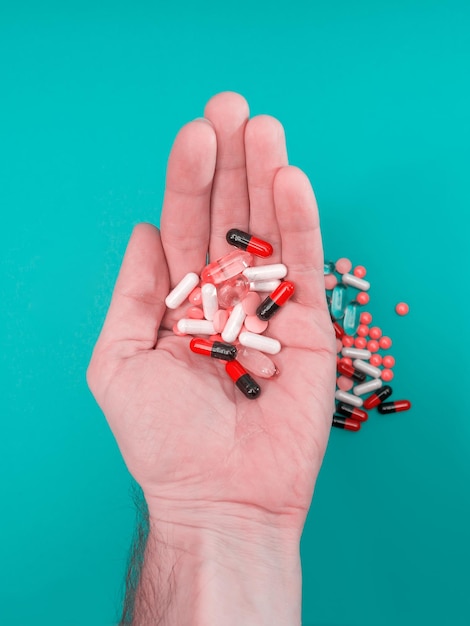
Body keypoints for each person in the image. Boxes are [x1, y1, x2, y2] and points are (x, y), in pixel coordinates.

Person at [87, 91, 337, 625]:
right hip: (231, 330)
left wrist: (206, 522)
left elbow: (250, 342)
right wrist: (208, 518)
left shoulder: (244, 319)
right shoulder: (230, 319)